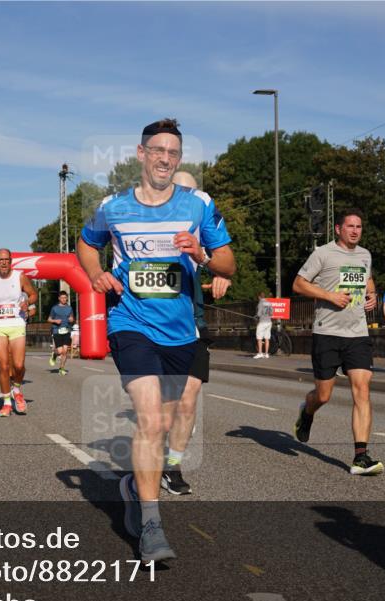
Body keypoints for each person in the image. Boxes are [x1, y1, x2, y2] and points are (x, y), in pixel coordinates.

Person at [77, 118, 235, 563]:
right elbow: (86, 244)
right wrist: (96, 273)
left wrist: (201, 254)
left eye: (174, 153)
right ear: (141, 153)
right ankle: (151, 524)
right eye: (158, 150)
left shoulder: (198, 204)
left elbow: (228, 264)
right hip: (130, 322)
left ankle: (132, 485)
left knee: (163, 424)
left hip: (180, 331)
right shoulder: (113, 207)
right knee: (149, 419)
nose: (166, 158)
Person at [292, 209, 382, 476]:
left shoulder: (365, 255)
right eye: (350, 226)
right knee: (323, 395)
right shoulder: (323, 253)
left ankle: (361, 457)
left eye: (359, 227)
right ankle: (307, 411)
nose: (355, 231)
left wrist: (373, 295)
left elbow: (368, 280)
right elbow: (299, 284)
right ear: (338, 229)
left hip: (357, 333)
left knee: (362, 389)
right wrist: (329, 296)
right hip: (327, 333)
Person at [162, 170, 234, 496]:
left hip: (193, 324)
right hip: (153, 326)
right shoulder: (148, 227)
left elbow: (224, 260)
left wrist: (220, 272)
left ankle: (172, 467)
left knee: (188, 399)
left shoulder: (202, 230)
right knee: (165, 403)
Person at [0, 248, 37, 416]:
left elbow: (33, 294)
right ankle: (6, 403)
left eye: (6, 260)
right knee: (3, 365)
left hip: (17, 322)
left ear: (11, 261)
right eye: (0, 260)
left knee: (18, 365)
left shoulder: (20, 276)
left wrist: (27, 302)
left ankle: (16, 389)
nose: (4, 262)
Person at [47, 290, 75, 375]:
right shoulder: (54, 308)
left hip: (67, 330)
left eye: (65, 298)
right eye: (62, 298)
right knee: (60, 351)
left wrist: (71, 319)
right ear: (59, 298)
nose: (64, 299)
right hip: (57, 331)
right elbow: (49, 319)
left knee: (65, 351)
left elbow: (72, 318)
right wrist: (55, 321)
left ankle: (62, 368)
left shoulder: (69, 308)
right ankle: (54, 355)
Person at [254, 292, 273, 359]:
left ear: (259, 297)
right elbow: (271, 313)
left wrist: (255, 316)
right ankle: (266, 354)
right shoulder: (269, 303)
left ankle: (260, 353)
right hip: (269, 322)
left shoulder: (260, 303)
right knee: (267, 338)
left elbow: (259, 314)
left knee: (259, 338)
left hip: (262, 322)